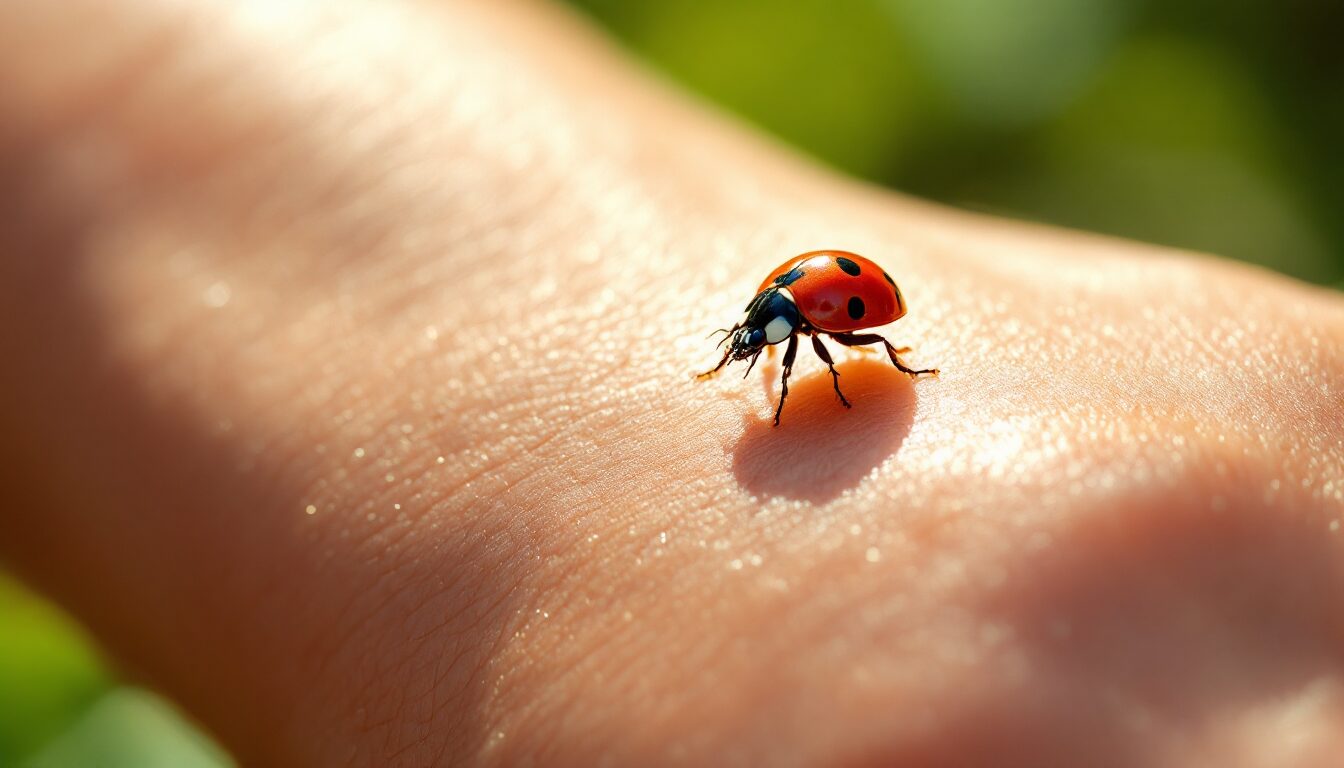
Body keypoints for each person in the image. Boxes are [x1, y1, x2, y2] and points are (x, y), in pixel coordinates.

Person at [2, 1, 1341, 765]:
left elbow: (847, 326)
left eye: (766, 347)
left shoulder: (822, 325)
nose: (769, 356)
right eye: (769, 344)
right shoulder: (789, 321)